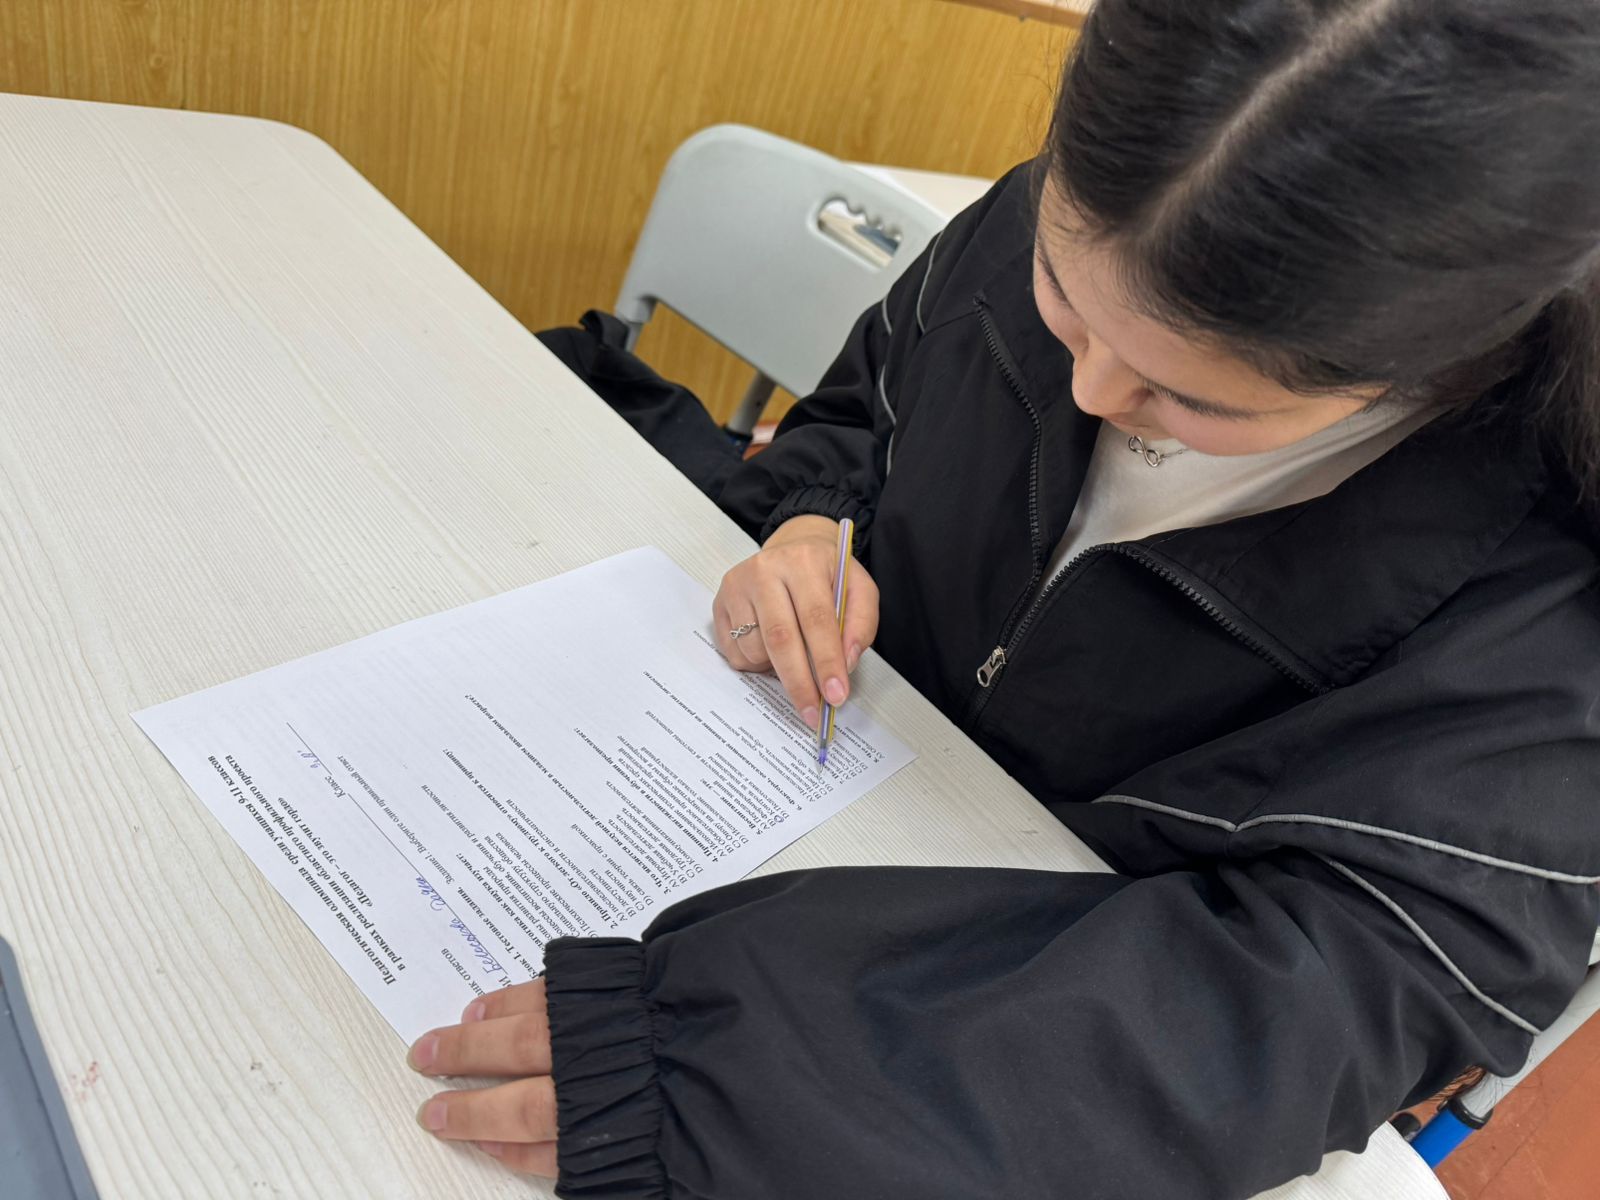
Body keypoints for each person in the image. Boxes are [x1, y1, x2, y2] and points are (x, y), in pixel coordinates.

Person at [403, 2, 1600, 1195]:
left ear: (1441, 363)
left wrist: (744, 1072)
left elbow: (1320, 1007)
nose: (1091, 392)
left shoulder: (1542, 629)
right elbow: (868, 404)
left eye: (1194, 401)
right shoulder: (1110, 203)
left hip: (957, 990)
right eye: (1059, 300)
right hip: (812, 777)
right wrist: (815, 516)